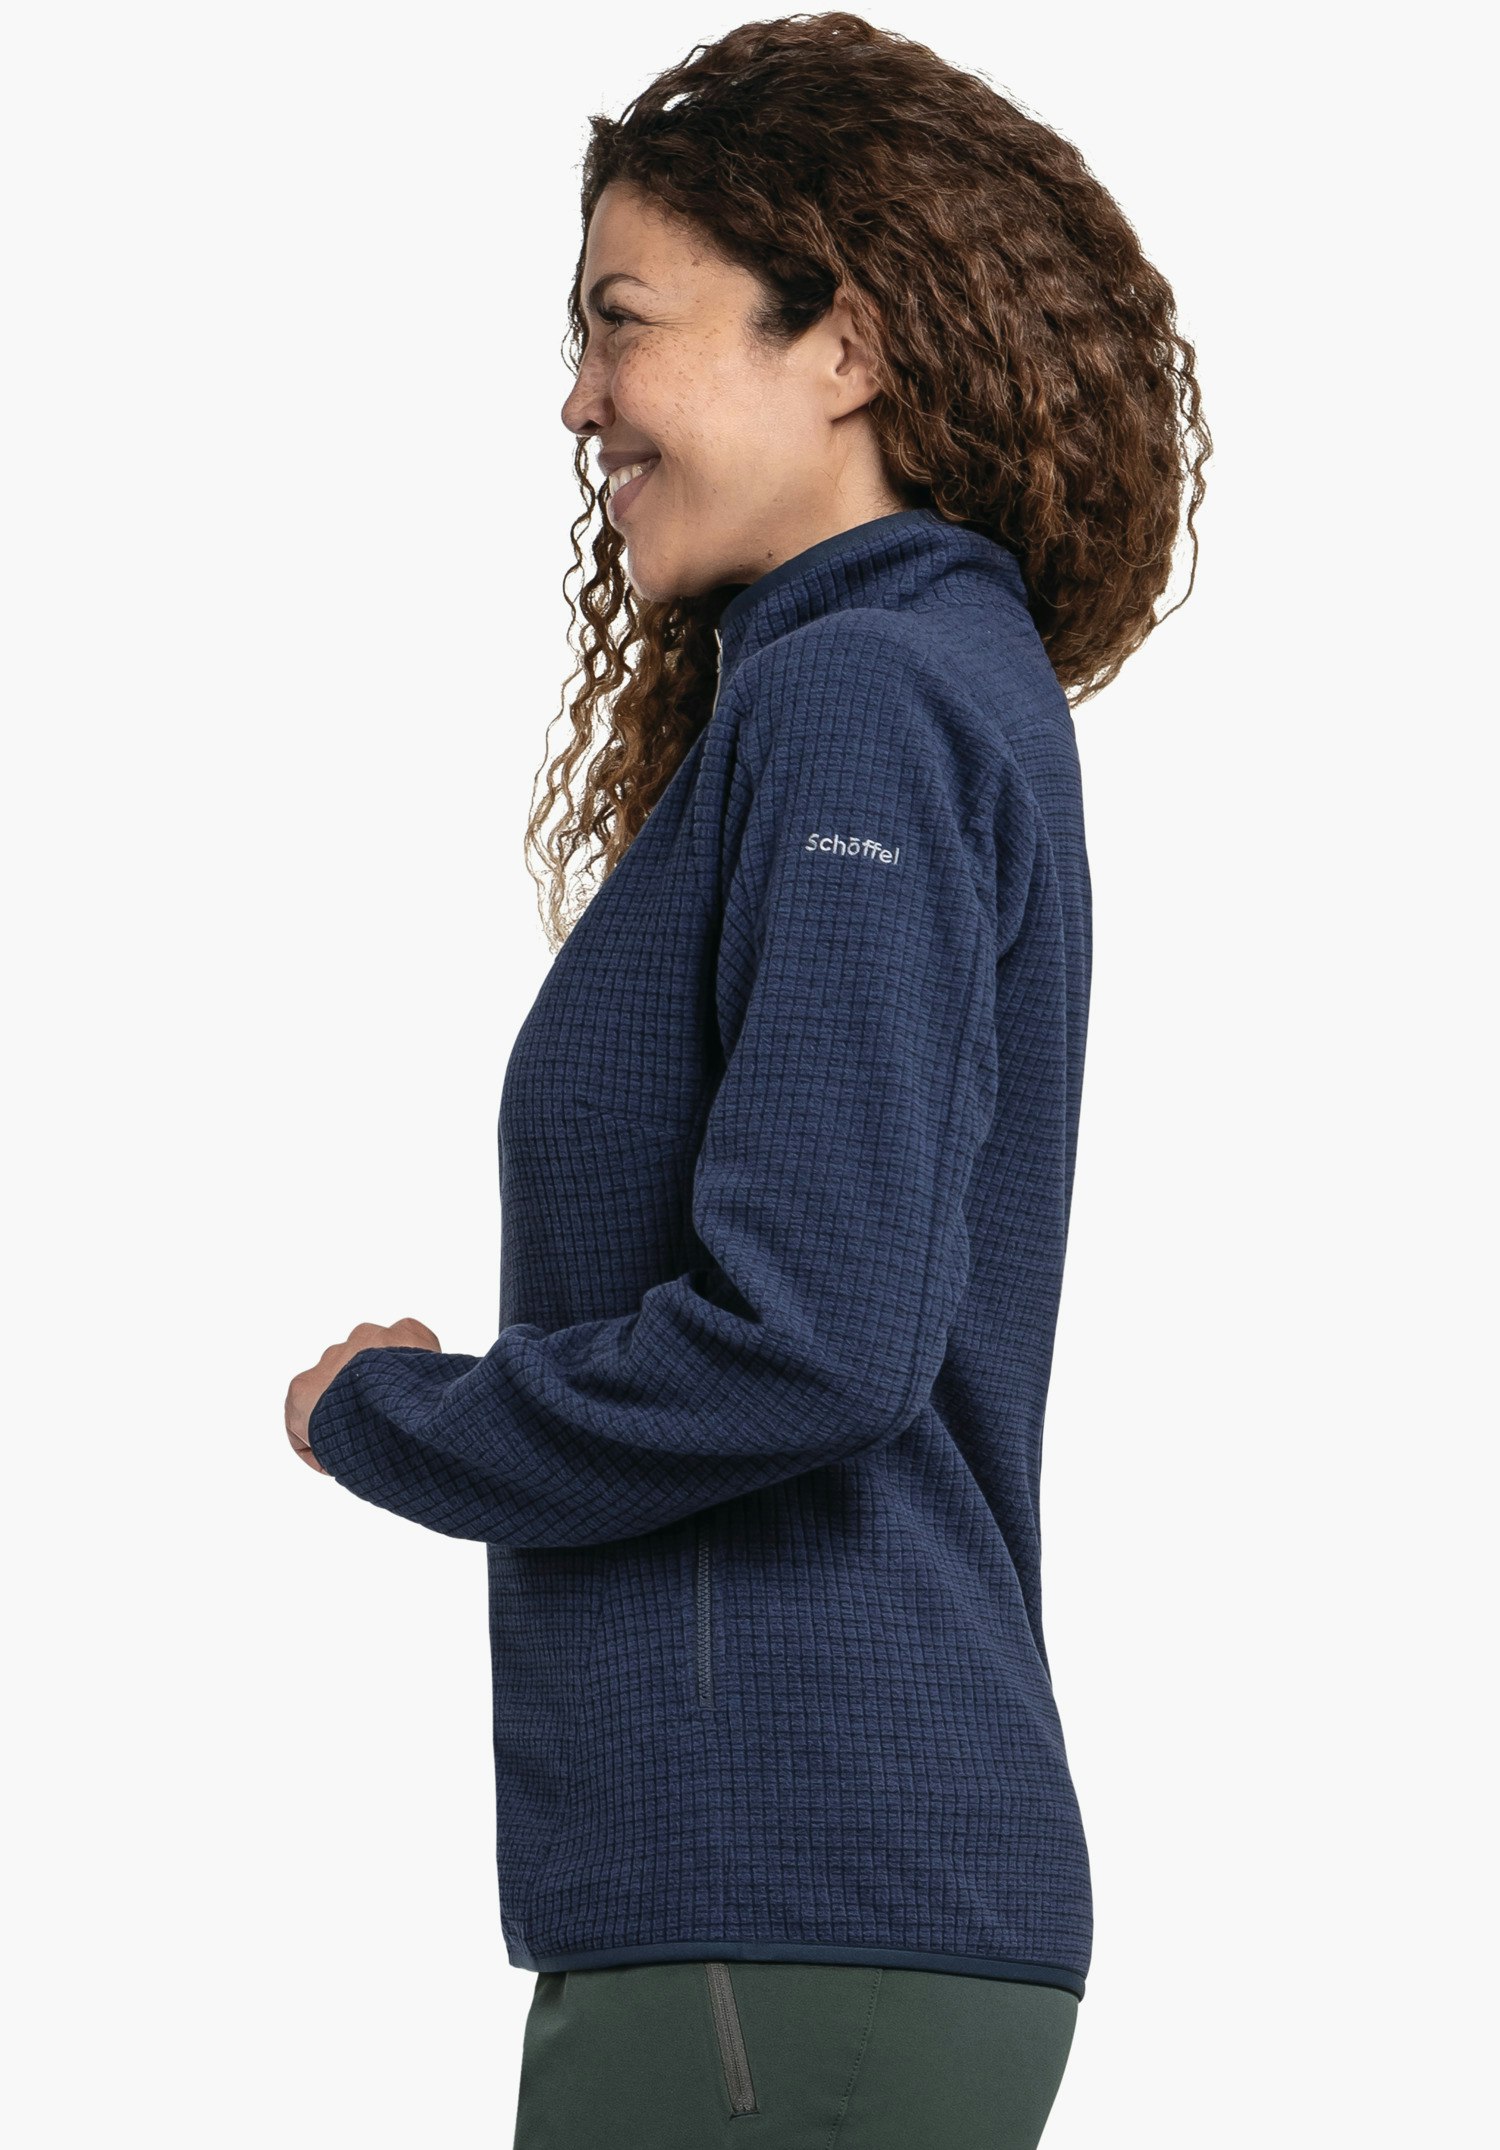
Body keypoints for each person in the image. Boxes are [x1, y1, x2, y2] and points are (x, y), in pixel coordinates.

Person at [285, 13, 1210, 2145]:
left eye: (624, 323)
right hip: (812, 1922)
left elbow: (813, 1337)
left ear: (847, 344)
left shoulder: (867, 699)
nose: (579, 396)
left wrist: (394, 1415)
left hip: (780, 1915)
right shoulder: (902, 682)